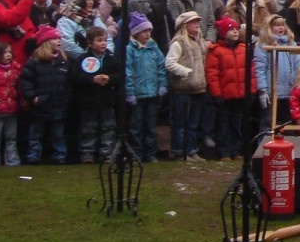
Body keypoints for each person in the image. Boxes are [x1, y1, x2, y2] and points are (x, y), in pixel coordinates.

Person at [206, 17, 255, 160]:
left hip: (241, 95)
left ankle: (237, 150)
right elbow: (212, 74)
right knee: (223, 125)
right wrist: (216, 94)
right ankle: (224, 151)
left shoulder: (244, 49)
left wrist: (251, 90)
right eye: (231, 29)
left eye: (236, 29)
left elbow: (251, 72)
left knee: (237, 124)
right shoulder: (216, 51)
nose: (235, 32)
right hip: (225, 95)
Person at [69, 27, 121, 164]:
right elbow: (74, 77)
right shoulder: (82, 59)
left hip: (107, 101)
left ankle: (107, 154)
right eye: (99, 41)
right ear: (90, 43)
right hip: (88, 102)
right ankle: (87, 154)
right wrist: (92, 79)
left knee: (108, 128)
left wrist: (109, 78)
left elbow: (119, 76)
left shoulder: (111, 60)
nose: (103, 43)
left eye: (105, 40)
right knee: (88, 128)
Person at [20, 26, 70, 165]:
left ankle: (60, 154)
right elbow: (26, 81)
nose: (58, 41)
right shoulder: (35, 62)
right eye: (54, 38)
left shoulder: (63, 61)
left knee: (58, 133)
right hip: (40, 104)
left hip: (58, 103)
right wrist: (32, 97)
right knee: (35, 133)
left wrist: (66, 97)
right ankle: (33, 154)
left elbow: (68, 81)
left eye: (59, 38)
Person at [124, 13, 167, 163]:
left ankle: (150, 153)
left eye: (149, 31)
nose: (147, 34)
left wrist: (162, 85)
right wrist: (129, 92)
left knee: (150, 126)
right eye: (144, 31)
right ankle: (136, 153)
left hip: (153, 94)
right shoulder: (130, 50)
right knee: (136, 126)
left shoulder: (154, 49)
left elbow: (161, 67)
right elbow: (128, 72)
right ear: (136, 33)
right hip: (138, 94)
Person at [165, 11, 208, 160]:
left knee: (193, 124)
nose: (197, 23)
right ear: (184, 25)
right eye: (193, 21)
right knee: (181, 123)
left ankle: (191, 150)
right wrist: (186, 72)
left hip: (198, 88)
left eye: (197, 21)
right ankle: (179, 151)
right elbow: (169, 63)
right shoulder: (179, 42)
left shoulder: (199, 41)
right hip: (182, 89)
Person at [253, 14, 300, 131]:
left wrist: (297, 84)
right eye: (277, 25)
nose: (281, 28)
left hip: (289, 90)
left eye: (282, 25)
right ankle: (264, 145)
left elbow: (297, 66)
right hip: (271, 91)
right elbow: (260, 69)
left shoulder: (291, 44)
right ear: (269, 27)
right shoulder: (262, 45)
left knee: (287, 123)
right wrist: (262, 90)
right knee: (268, 122)